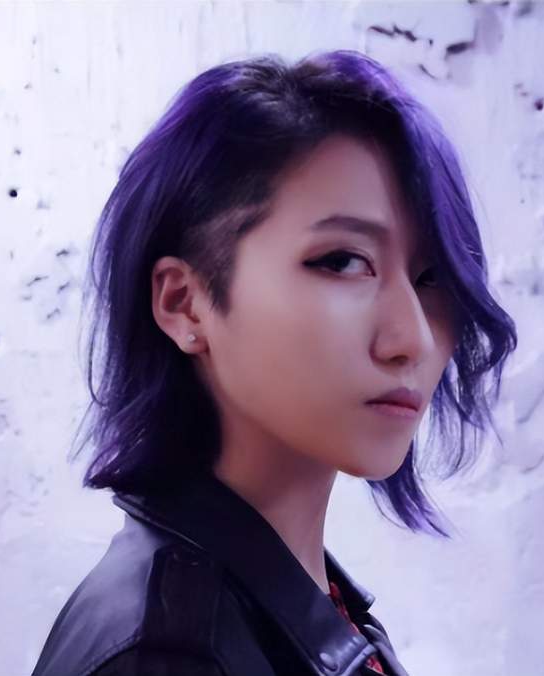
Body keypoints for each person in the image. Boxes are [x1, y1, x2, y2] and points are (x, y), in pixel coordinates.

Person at [31, 48, 517, 676]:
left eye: (431, 277)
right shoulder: (170, 654)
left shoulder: (306, 604)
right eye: (342, 261)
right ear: (184, 303)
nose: (414, 339)